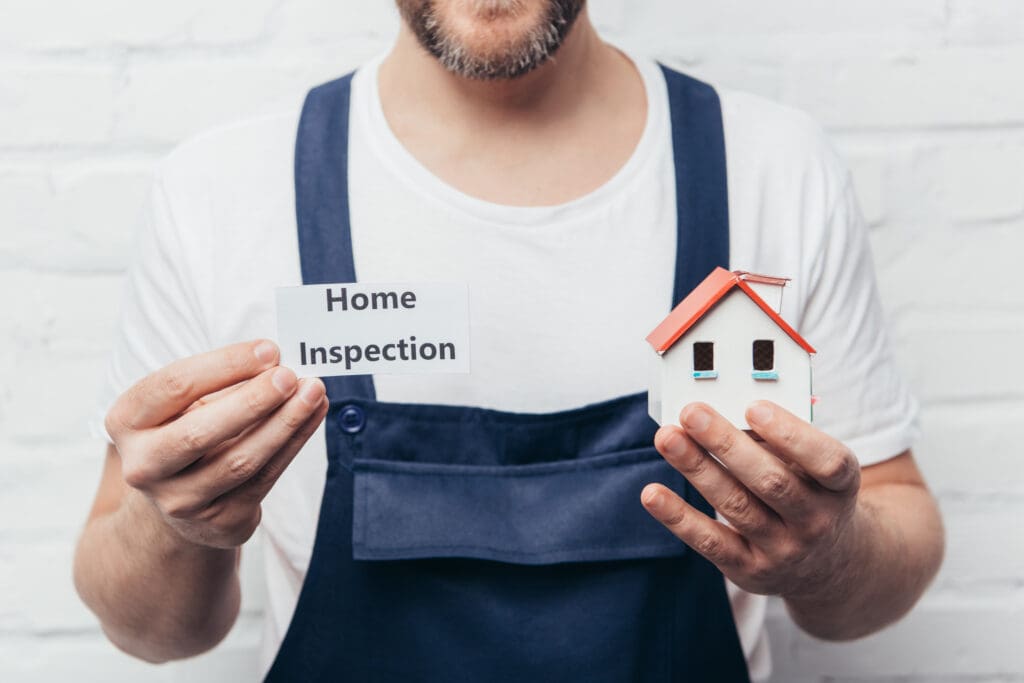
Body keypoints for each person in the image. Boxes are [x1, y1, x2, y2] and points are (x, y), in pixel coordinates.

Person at [73, 1, 945, 681]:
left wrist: (828, 554)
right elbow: (151, 631)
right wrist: (175, 524)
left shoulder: (774, 170)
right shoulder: (219, 195)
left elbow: (885, 558)